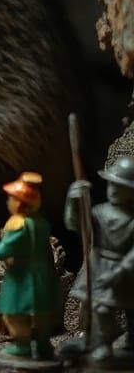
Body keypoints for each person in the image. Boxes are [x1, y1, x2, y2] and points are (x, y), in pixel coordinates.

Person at [0, 171, 60, 360]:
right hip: (41, 274)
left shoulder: (19, 225)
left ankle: (22, 347)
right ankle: (43, 345)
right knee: (41, 312)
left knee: (14, 314)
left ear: (20, 203)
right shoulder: (41, 223)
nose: (9, 202)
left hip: (21, 276)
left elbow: (2, 251)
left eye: (11, 199)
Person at [65, 155, 134, 363]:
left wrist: (119, 271)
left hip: (124, 270)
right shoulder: (100, 212)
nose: (112, 190)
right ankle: (94, 340)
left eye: (119, 186)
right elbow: (77, 225)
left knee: (128, 309)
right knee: (94, 305)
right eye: (111, 184)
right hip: (99, 265)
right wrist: (74, 200)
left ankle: (119, 343)